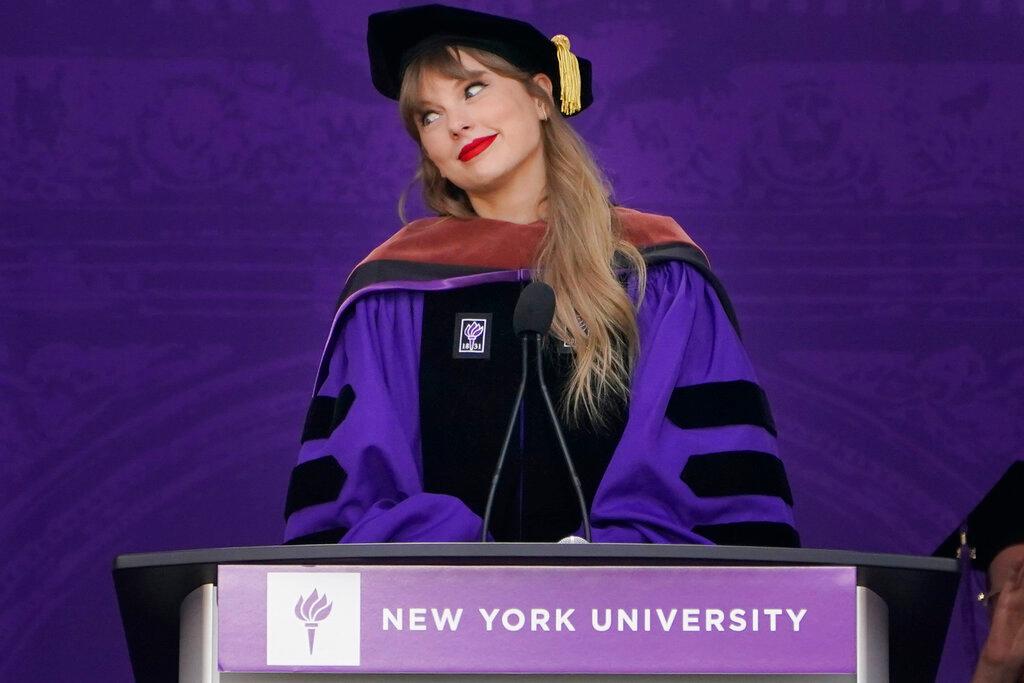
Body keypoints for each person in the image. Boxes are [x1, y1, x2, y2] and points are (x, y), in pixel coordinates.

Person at [282, 3, 799, 545]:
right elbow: (356, 489)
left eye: (473, 89)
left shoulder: (655, 271)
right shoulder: (395, 291)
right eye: (428, 116)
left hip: (631, 613)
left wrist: (596, 562)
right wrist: (466, 563)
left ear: (541, 96)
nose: (454, 123)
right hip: (436, 616)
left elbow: (708, 476)